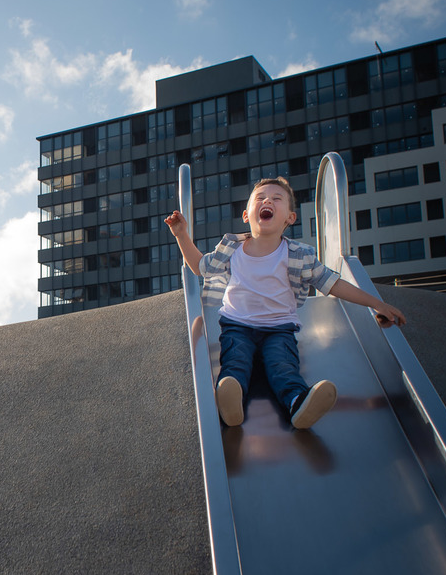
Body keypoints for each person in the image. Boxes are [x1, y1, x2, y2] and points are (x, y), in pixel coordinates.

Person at [165, 177, 406, 429]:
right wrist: (181, 235)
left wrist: (376, 303)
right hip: (237, 325)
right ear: (246, 215)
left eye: (276, 198)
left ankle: (299, 403)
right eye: (260, 197)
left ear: (289, 218)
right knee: (236, 359)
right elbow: (200, 267)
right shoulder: (232, 248)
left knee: (283, 366)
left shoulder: (299, 255)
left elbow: (332, 283)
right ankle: (230, 399)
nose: (267, 200)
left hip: (279, 329)